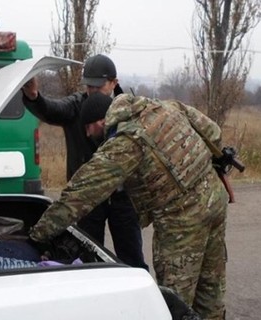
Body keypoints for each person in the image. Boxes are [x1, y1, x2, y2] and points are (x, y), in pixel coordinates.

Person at [29, 93, 229, 320]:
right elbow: (213, 131)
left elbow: (82, 193)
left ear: (101, 121)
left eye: (87, 127)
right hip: (215, 200)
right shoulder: (164, 106)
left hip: (181, 222)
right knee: (210, 291)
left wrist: (39, 234)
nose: (86, 134)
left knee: (175, 302)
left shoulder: (126, 142)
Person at [21, 54, 147, 270]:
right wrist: (34, 97)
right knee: (88, 256)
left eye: (98, 87)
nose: (92, 92)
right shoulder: (77, 106)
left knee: (131, 257)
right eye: (89, 86)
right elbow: (52, 110)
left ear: (114, 83)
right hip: (88, 201)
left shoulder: (130, 111)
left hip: (123, 199)